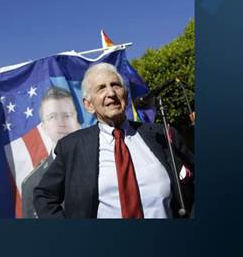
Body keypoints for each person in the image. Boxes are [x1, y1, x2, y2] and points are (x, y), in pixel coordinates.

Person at [33, 63, 194, 218]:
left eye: (116, 85)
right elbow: (44, 196)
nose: (111, 93)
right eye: (101, 88)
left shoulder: (162, 135)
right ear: (89, 105)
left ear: (126, 94)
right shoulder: (71, 147)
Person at [21, 86, 81, 218]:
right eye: (52, 117)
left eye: (67, 115)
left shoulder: (103, 162)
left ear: (77, 119)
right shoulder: (31, 183)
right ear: (44, 127)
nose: (61, 123)